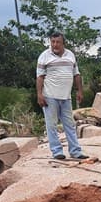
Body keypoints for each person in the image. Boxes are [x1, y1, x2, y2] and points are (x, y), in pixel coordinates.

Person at [36, 32, 89, 160]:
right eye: (52, 42)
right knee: (51, 125)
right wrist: (39, 95)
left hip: (66, 97)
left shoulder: (70, 55)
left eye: (58, 42)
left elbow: (76, 74)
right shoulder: (44, 56)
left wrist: (80, 91)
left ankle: (75, 151)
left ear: (63, 43)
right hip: (50, 96)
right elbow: (40, 77)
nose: (55, 45)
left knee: (70, 125)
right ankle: (57, 151)